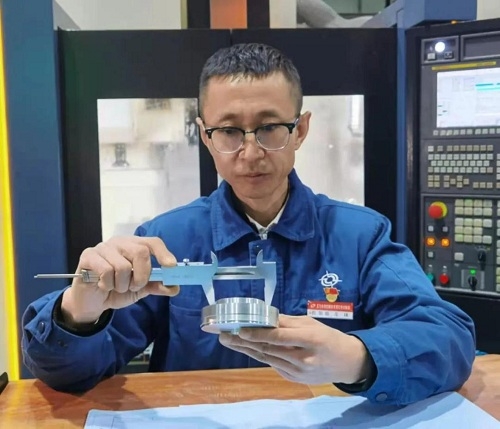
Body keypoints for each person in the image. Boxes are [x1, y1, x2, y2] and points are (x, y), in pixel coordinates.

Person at [22, 43, 475, 406]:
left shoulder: (360, 236)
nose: (251, 152)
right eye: (229, 131)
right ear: (205, 136)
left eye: (270, 127)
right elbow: (67, 372)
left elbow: (448, 337)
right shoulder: (167, 239)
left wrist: (357, 358)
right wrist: (76, 312)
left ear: (300, 130)